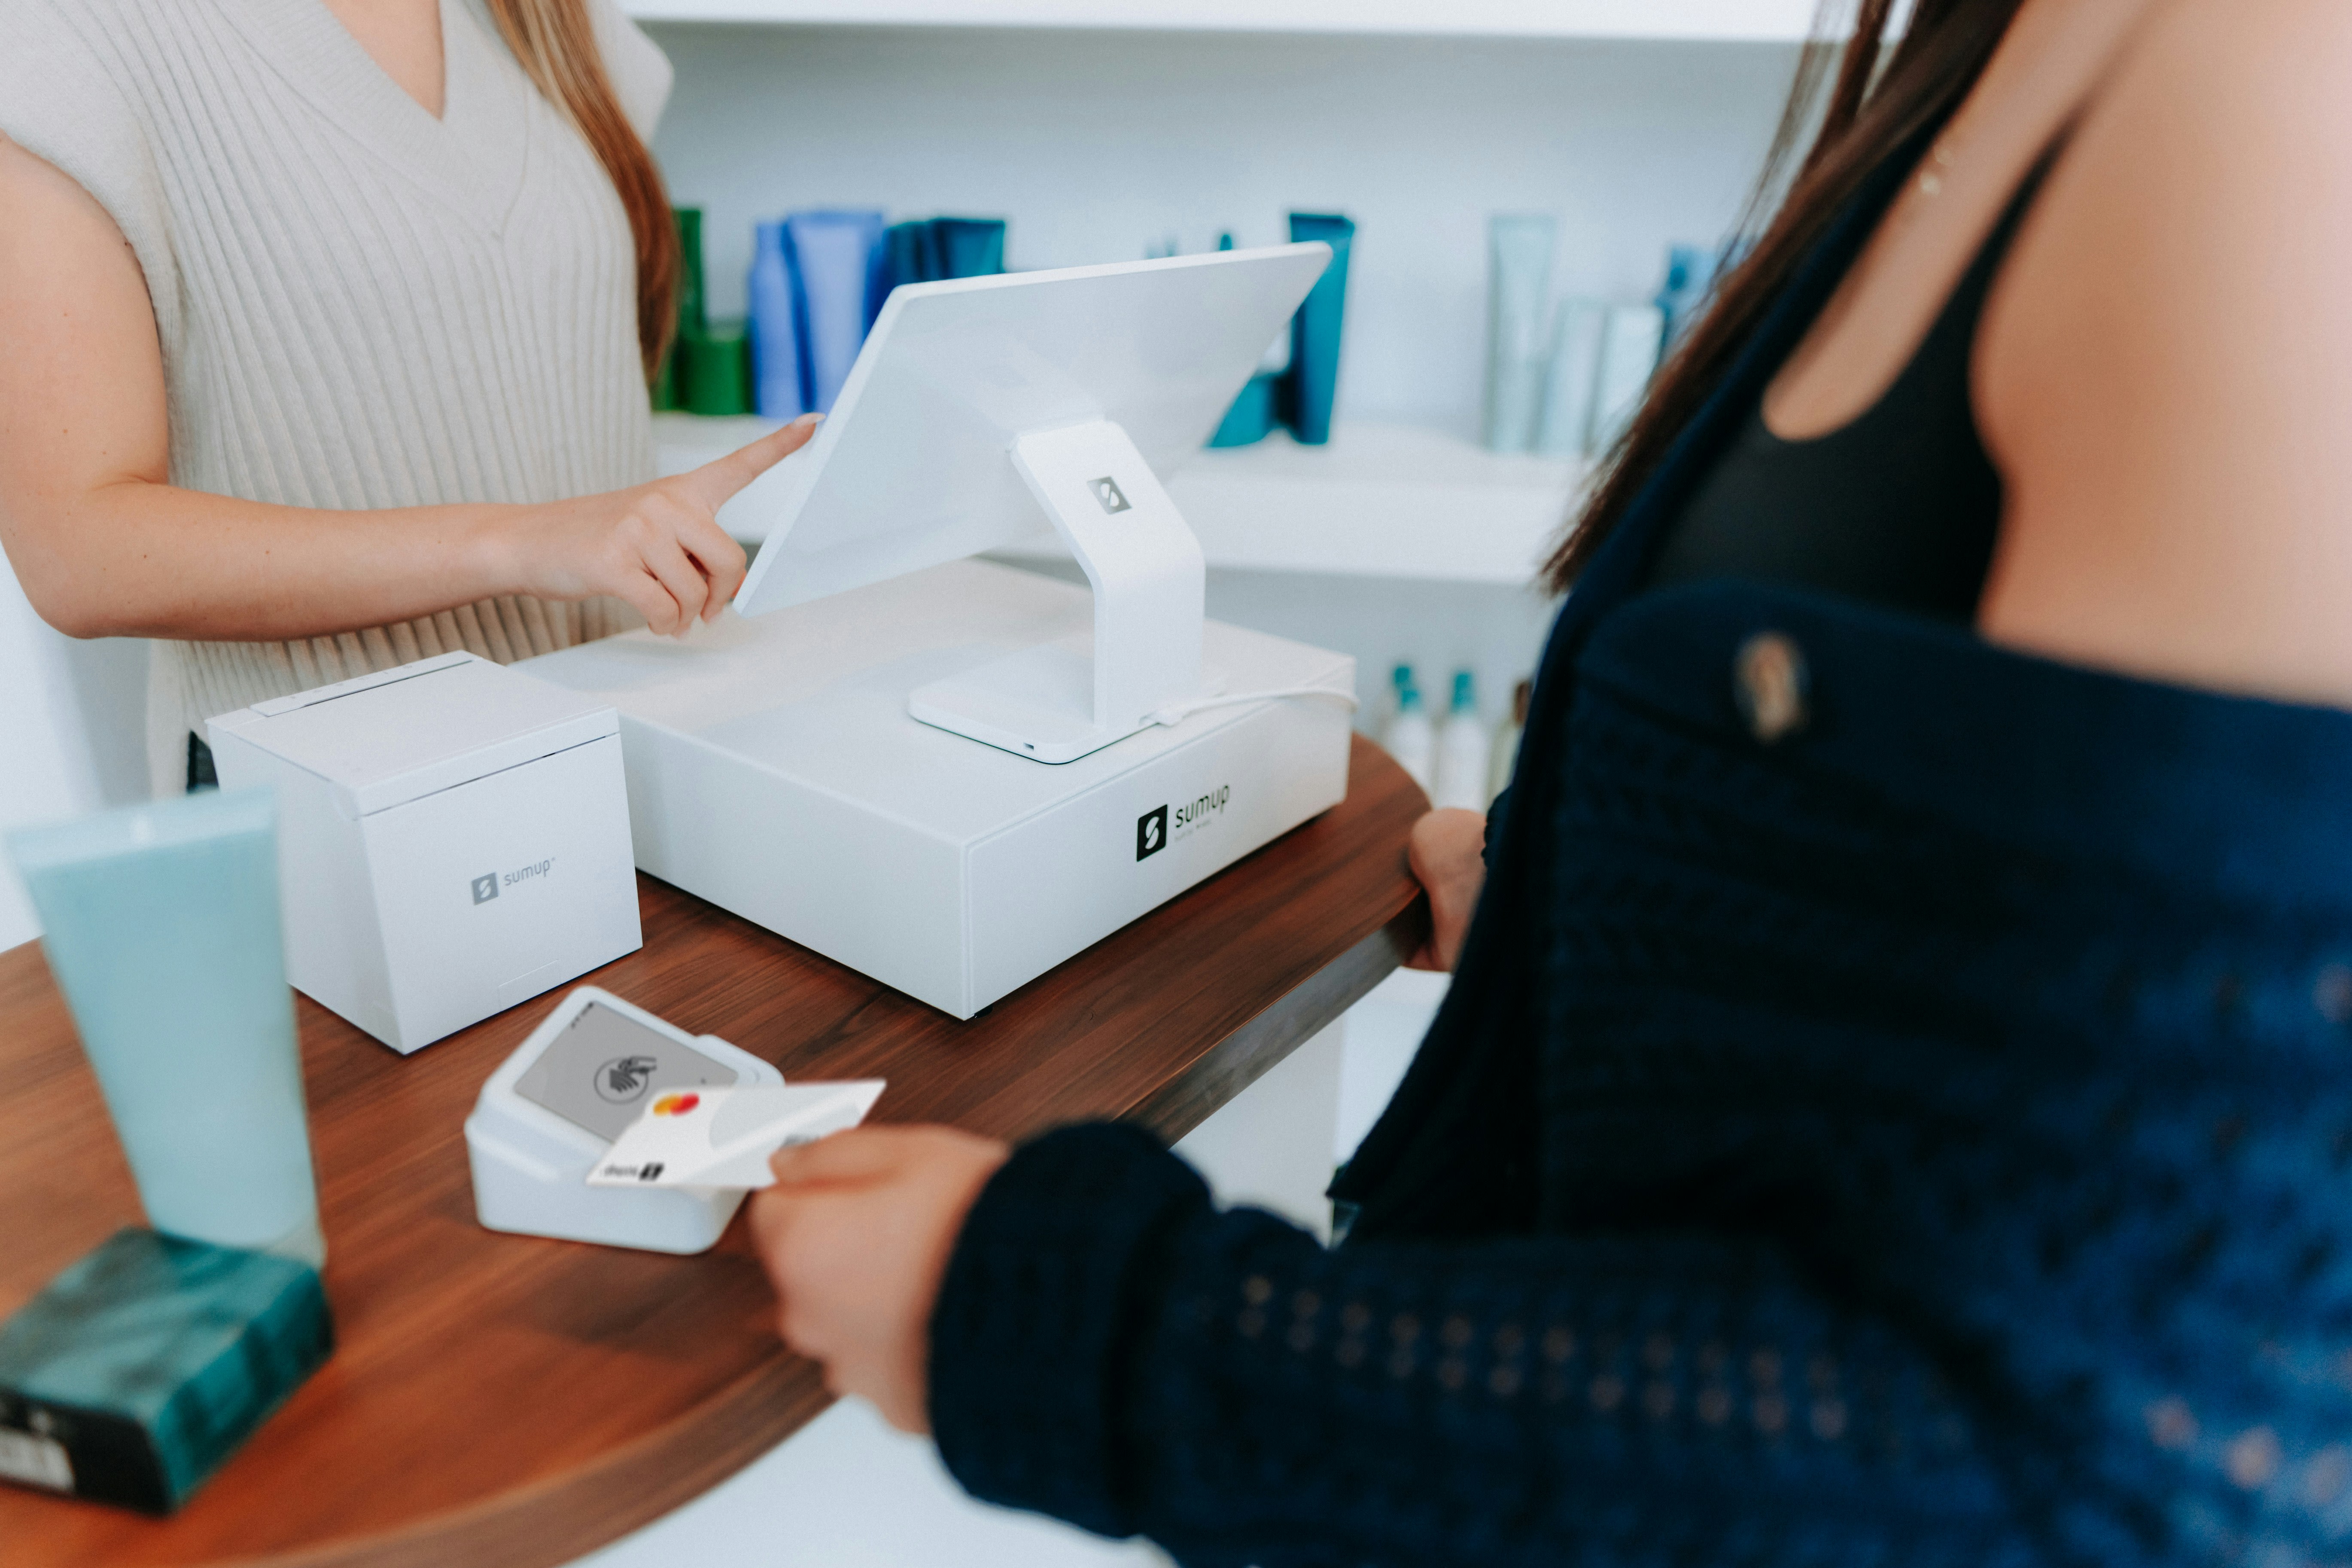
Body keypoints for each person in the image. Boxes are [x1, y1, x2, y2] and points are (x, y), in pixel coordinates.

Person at [749, 0, 2352, 1561]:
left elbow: (2114, 1471)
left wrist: (1054, 1318)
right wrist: (1609, 885)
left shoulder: (2276, 95)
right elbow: (1972, 912)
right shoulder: (1981, 44)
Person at [0, 0, 814, 797]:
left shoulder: (547, 16)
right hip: (336, 802)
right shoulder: (74, 30)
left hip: (619, 746)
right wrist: (518, 542)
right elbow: (79, 554)